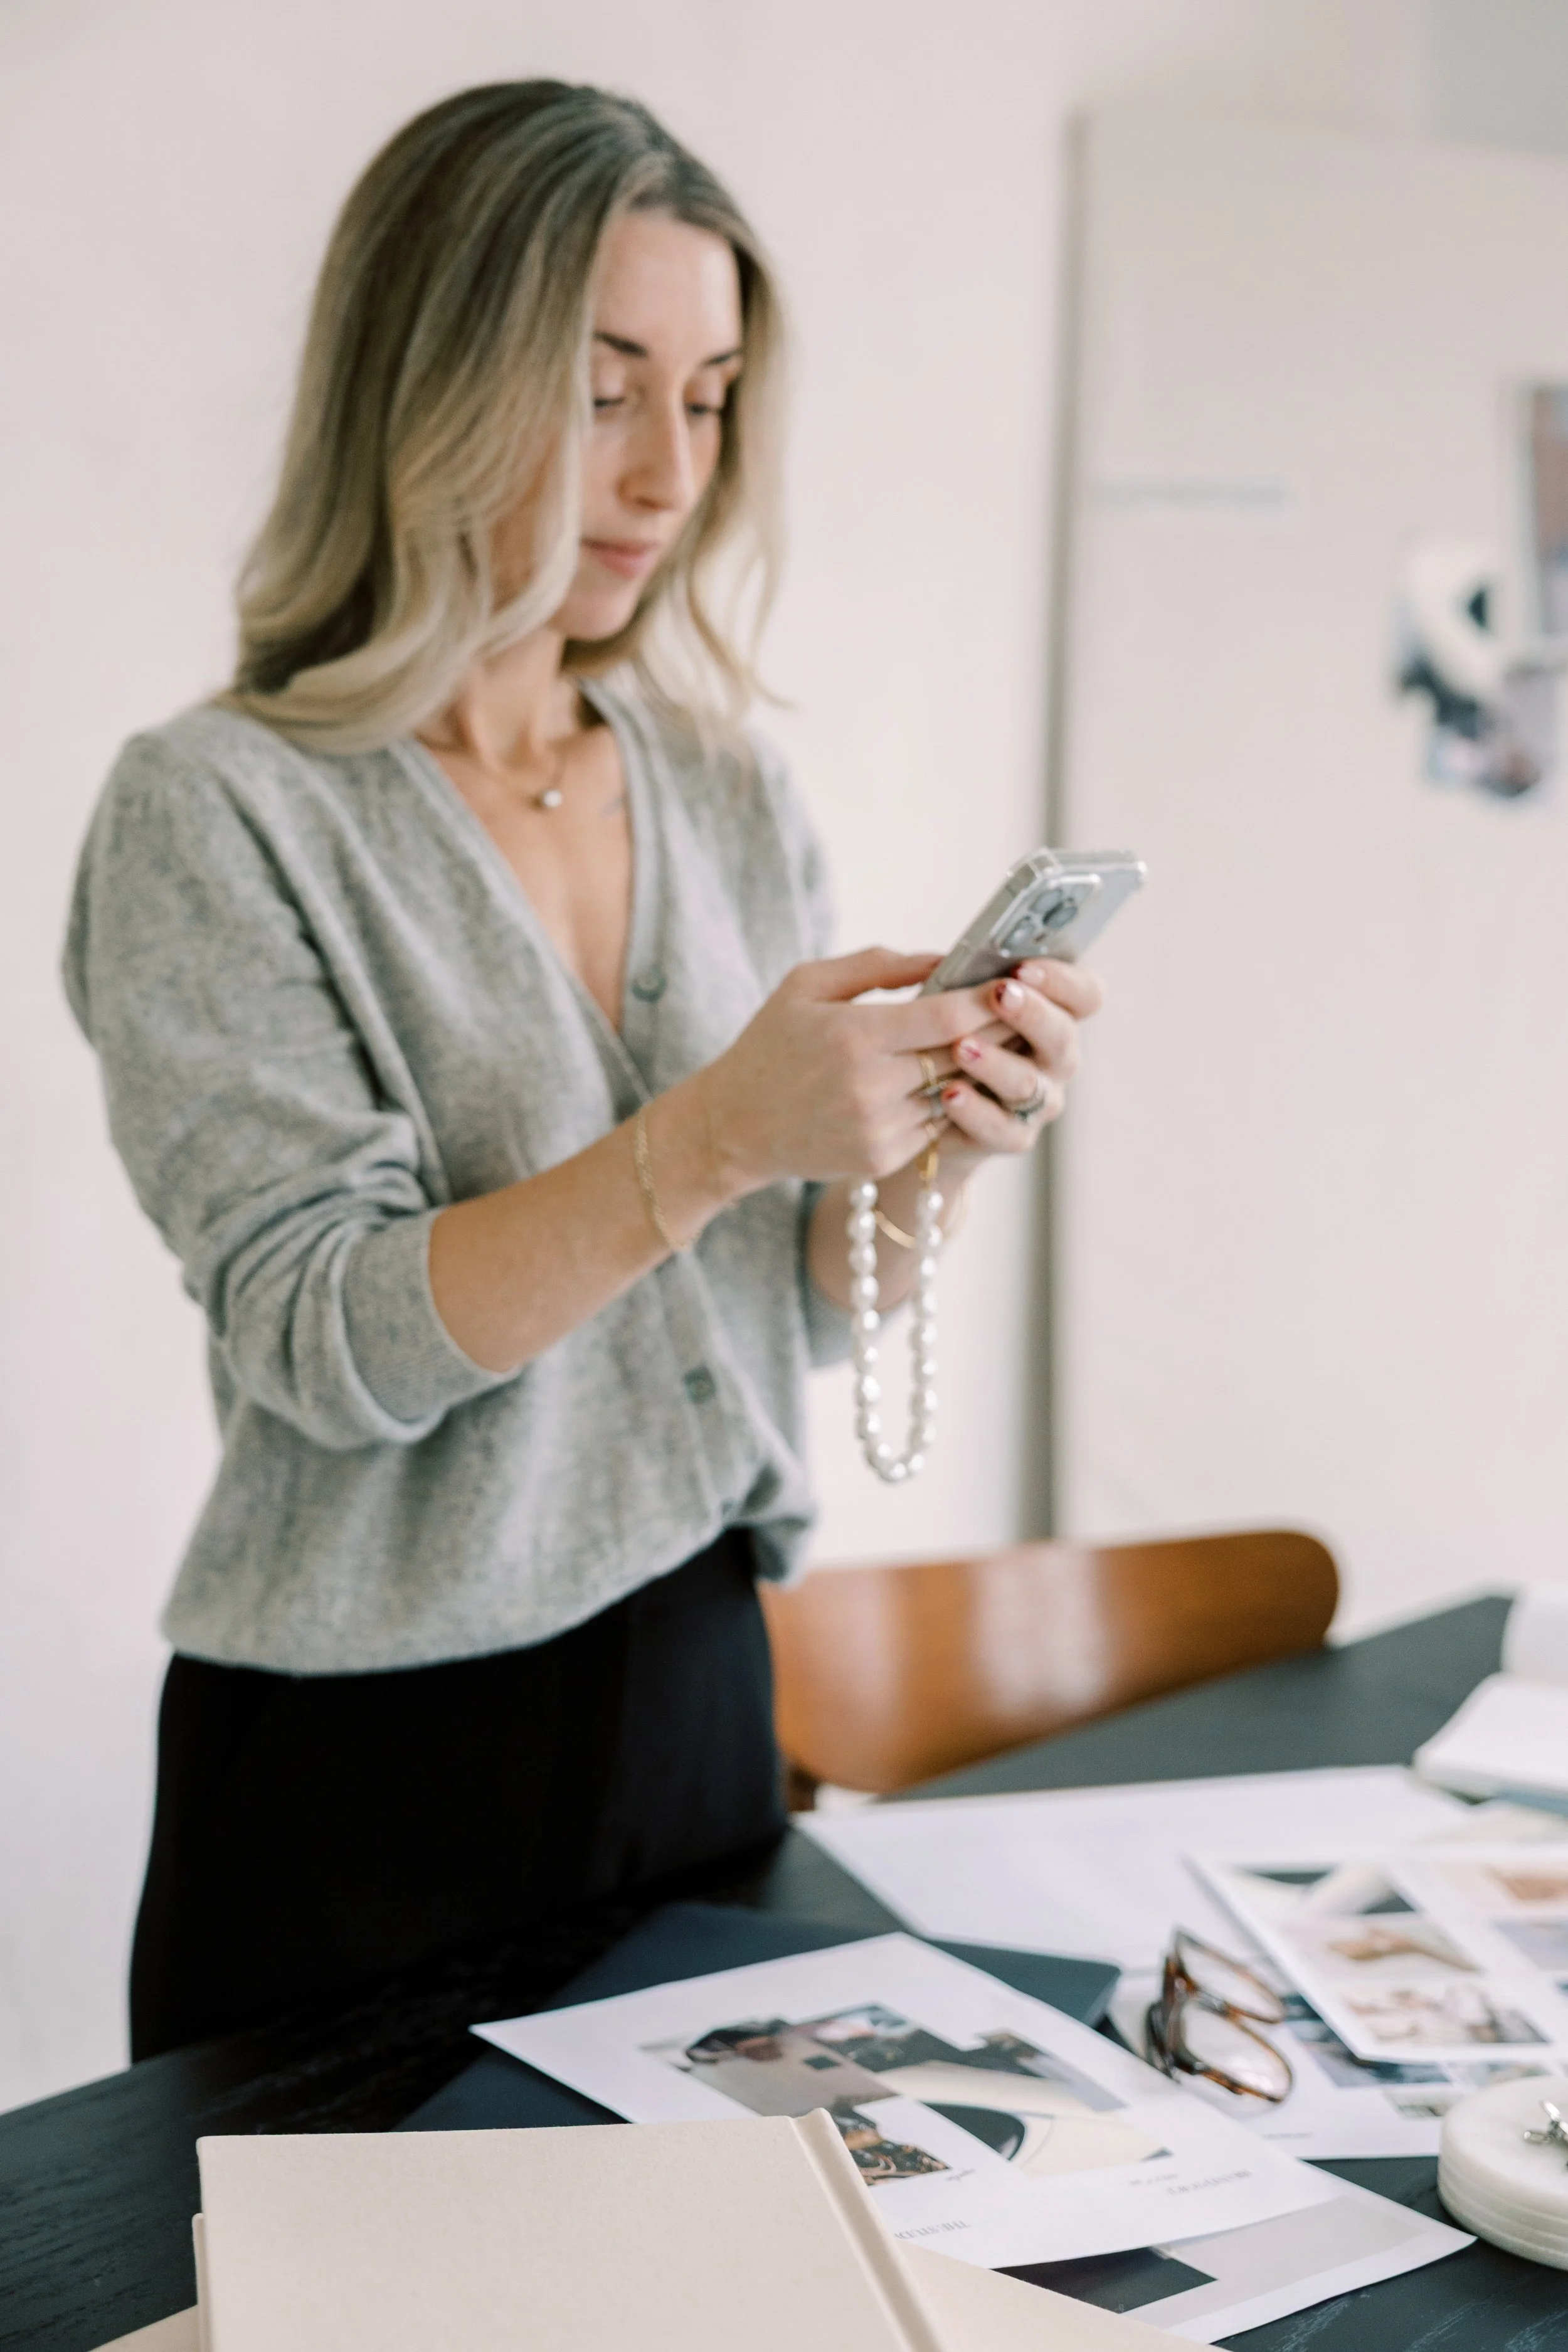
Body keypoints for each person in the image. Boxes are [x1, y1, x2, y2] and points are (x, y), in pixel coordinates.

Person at [63, 81, 1102, 2059]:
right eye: (600, 385)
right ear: (429, 379)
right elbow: (321, 1335)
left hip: (701, 1684)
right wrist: (716, 1130)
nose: (662, 473)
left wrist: (929, 1137)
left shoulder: (718, 779)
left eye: (705, 399)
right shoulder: (221, 813)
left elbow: (771, 1303)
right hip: (368, 1764)